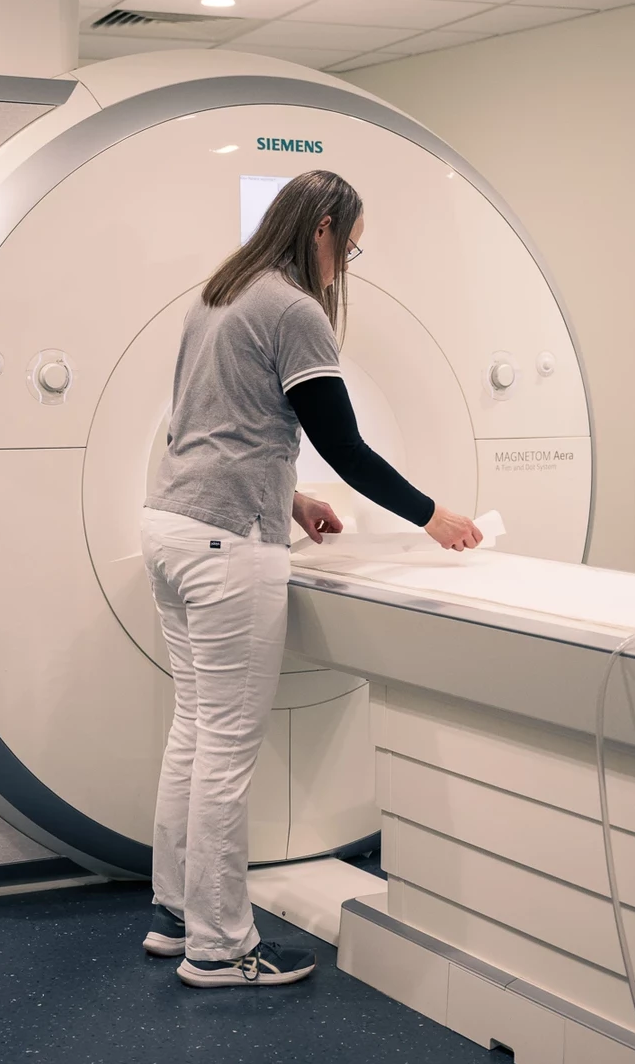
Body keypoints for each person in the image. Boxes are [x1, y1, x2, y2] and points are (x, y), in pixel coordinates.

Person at [137, 169, 482, 988]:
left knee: (194, 731)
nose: (344, 268)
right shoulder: (294, 309)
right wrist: (432, 516)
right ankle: (220, 948)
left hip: (172, 527)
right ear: (322, 227)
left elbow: (211, 425)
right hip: (227, 545)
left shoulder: (219, 294)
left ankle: (177, 913)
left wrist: (290, 499)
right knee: (227, 750)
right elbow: (345, 445)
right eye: (349, 249)